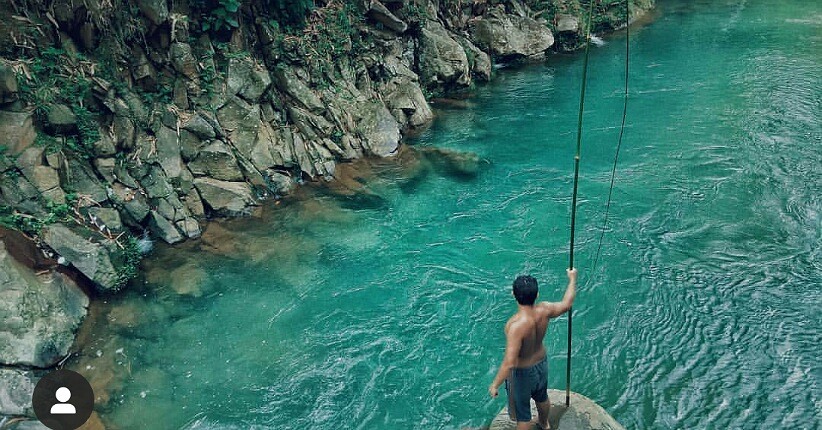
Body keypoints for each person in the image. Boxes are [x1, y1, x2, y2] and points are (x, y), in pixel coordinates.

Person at [488, 268, 577, 430]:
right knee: (541, 397)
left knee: (523, 416)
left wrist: (495, 384)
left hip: (521, 374)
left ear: (513, 295)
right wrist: (572, 278)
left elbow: (509, 362)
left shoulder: (515, 326)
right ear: (537, 295)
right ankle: (544, 423)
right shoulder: (545, 310)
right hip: (541, 364)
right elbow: (567, 303)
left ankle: (537, 423)